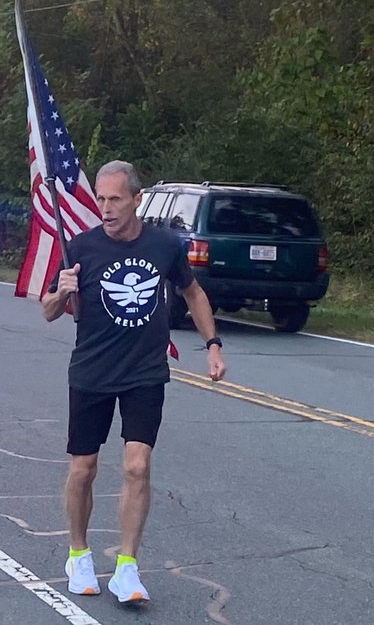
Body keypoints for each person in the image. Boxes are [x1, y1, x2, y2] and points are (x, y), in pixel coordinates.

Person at [42, 160, 227, 604]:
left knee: (137, 467)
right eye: (101, 199)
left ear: (137, 200)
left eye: (115, 199)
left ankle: (127, 567)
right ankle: (79, 553)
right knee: (83, 469)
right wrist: (62, 290)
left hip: (145, 372)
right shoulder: (81, 248)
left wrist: (214, 344)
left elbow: (193, 292)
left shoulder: (164, 246)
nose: (106, 208)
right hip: (92, 371)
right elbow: (48, 311)